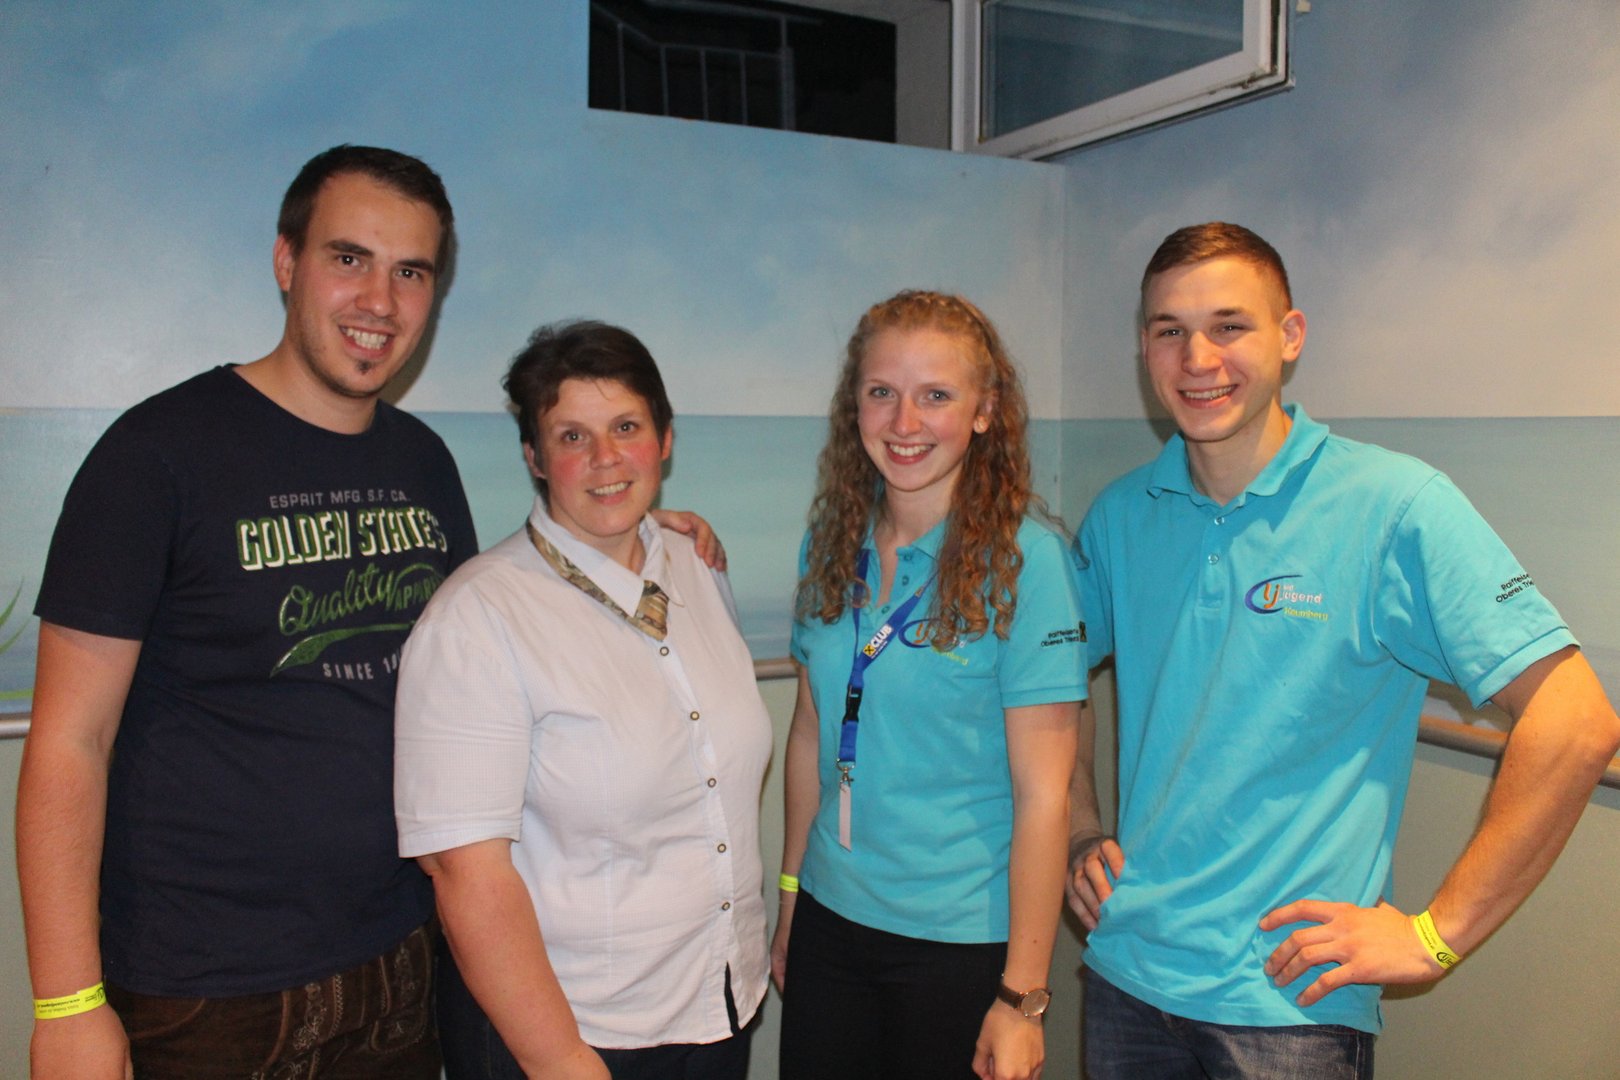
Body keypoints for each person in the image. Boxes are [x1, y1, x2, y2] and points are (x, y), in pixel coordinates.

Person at [15, 145, 723, 1080]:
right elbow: (70, 740)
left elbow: (489, 638)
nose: (380, 301)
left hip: (400, 961)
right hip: (207, 988)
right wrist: (67, 1004)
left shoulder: (421, 462)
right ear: (287, 262)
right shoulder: (156, 455)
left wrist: (628, 527)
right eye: (349, 258)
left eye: (411, 272)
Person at [1066, 222, 1620, 1078]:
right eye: (1170, 330)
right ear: (1145, 348)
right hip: (1127, 974)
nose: (1198, 358)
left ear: (1290, 336)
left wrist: (1436, 936)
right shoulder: (1120, 515)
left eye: (1229, 326)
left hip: (1289, 1006)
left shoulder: (1393, 506)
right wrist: (1079, 829)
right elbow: (1048, 679)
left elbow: (1576, 720)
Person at [394, 319, 771, 1080]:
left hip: (719, 1001)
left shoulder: (697, 568)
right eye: (572, 436)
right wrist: (560, 1058)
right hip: (569, 1032)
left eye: (626, 427)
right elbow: (466, 874)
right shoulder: (476, 618)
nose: (605, 458)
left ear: (665, 438)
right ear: (535, 458)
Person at [772, 290, 1086, 1080]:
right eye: (882, 392)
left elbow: (1044, 797)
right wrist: (790, 898)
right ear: (854, 406)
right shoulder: (830, 542)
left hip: (959, 944)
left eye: (936, 395)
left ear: (984, 411)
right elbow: (810, 731)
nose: (904, 421)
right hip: (829, 924)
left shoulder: (1027, 563)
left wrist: (1023, 998)